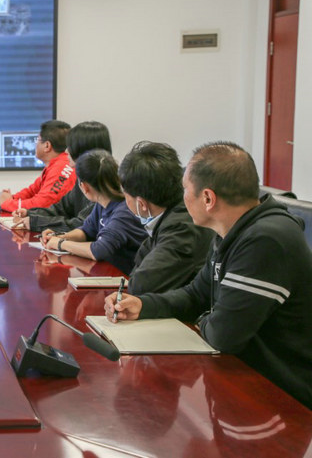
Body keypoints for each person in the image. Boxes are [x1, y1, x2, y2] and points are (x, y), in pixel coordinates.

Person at [106, 142, 312, 409]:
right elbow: (196, 295)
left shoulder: (266, 241)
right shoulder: (231, 232)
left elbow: (223, 335)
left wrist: (205, 317)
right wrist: (143, 306)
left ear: (207, 199)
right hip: (244, 379)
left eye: (185, 190)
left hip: (281, 398)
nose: (181, 198)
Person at [118, 141, 215, 294]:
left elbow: (141, 285)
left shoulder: (182, 227)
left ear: (141, 204)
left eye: (126, 195)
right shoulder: (170, 215)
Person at [43, 149, 147, 275]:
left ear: (84, 187)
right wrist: (61, 236)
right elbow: (86, 231)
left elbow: (98, 250)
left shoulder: (123, 212)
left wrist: (60, 244)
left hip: (126, 278)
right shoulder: (102, 204)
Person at [12, 121, 111, 233]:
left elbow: (81, 225)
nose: (66, 151)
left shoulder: (103, 184)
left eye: (70, 146)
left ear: (84, 150)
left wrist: (35, 222)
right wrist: (29, 213)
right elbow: (60, 208)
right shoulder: (83, 178)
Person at [0, 120, 75, 212]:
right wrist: (12, 198)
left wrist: (7, 203)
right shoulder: (56, 164)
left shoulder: (61, 168)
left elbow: (41, 205)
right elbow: (32, 191)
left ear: (47, 146)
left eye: (37, 140)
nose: (35, 144)